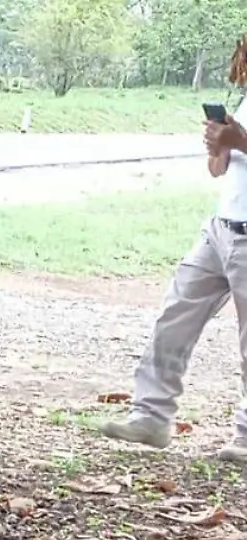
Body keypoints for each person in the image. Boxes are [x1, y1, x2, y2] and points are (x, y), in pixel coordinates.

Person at [99, 108, 247, 465]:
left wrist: (238, 139)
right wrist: (218, 147)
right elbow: (219, 169)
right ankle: (152, 416)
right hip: (221, 228)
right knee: (174, 318)